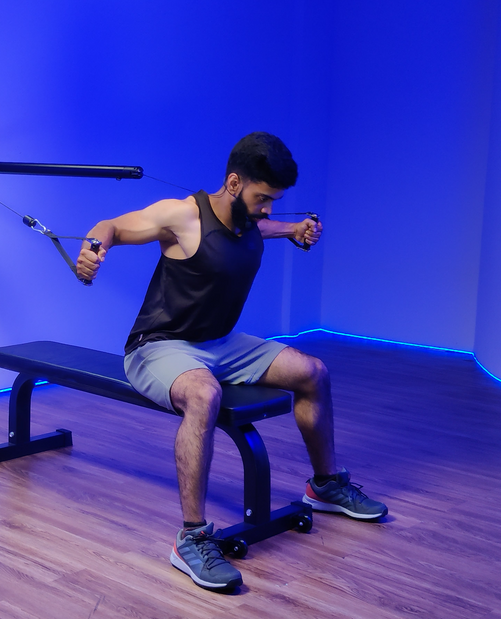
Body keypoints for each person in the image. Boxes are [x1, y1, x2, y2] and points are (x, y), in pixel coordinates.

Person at [75, 132, 387, 592]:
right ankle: (192, 539)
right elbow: (114, 226)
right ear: (234, 182)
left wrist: (294, 230)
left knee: (313, 372)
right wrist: (92, 249)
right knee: (205, 394)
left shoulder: (250, 220)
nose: (268, 209)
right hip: (158, 347)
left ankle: (325, 485)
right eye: (263, 198)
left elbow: (259, 228)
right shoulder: (182, 216)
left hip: (220, 343)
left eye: (275, 201)